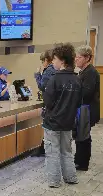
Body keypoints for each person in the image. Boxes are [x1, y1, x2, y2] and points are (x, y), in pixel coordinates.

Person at [43, 43, 81, 188]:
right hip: (68, 123)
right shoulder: (77, 80)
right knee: (67, 151)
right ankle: (71, 177)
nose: (53, 62)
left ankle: (54, 181)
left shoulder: (54, 79)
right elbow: (78, 103)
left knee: (52, 152)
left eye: (55, 59)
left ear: (63, 61)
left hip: (52, 123)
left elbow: (48, 102)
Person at [75, 45, 100, 171]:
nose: (76, 59)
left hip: (87, 110)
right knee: (81, 135)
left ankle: (82, 163)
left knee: (84, 136)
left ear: (87, 58)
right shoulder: (83, 71)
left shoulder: (90, 72)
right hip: (83, 109)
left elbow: (86, 93)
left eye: (79, 57)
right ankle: (79, 159)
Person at [33, 50, 56, 157]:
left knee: (47, 127)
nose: (42, 64)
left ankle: (43, 150)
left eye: (43, 61)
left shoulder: (48, 70)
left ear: (46, 60)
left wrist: (37, 74)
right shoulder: (56, 69)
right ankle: (42, 149)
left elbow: (42, 86)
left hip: (49, 103)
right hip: (55, 103)